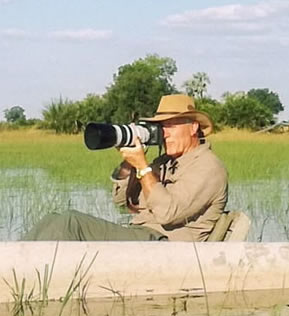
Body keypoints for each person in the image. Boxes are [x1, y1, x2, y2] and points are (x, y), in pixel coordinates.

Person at [25, 93, 229, 242]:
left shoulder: (208, 167)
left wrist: (143, 167)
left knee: (69, 223)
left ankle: (22, 274)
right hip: (142, 235)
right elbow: (122, 200)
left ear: (193, 127)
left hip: (166, 247)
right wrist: (128, 164)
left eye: (171, 125)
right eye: (161, 126)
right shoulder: (165, 161)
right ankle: (12, 266)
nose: (164, 133)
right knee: (52, 219)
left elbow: (168, 213)